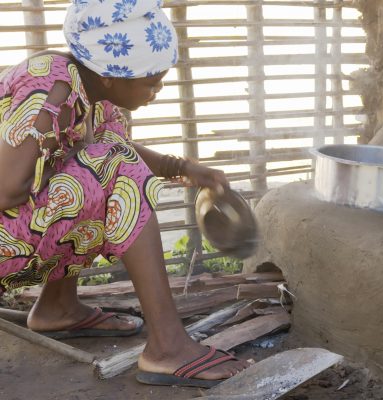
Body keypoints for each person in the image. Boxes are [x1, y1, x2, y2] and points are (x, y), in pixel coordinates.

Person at [0, 0, 249, 388]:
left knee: (98, 167)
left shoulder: (93, 93)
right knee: (106, 168)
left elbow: (111, 151)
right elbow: (5, 189)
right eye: (151, 81)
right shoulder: (52, 85)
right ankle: (168, 348)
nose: (157, 90)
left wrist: (186, 169)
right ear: (113, 74)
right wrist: (73, 170)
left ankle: (58, 308)